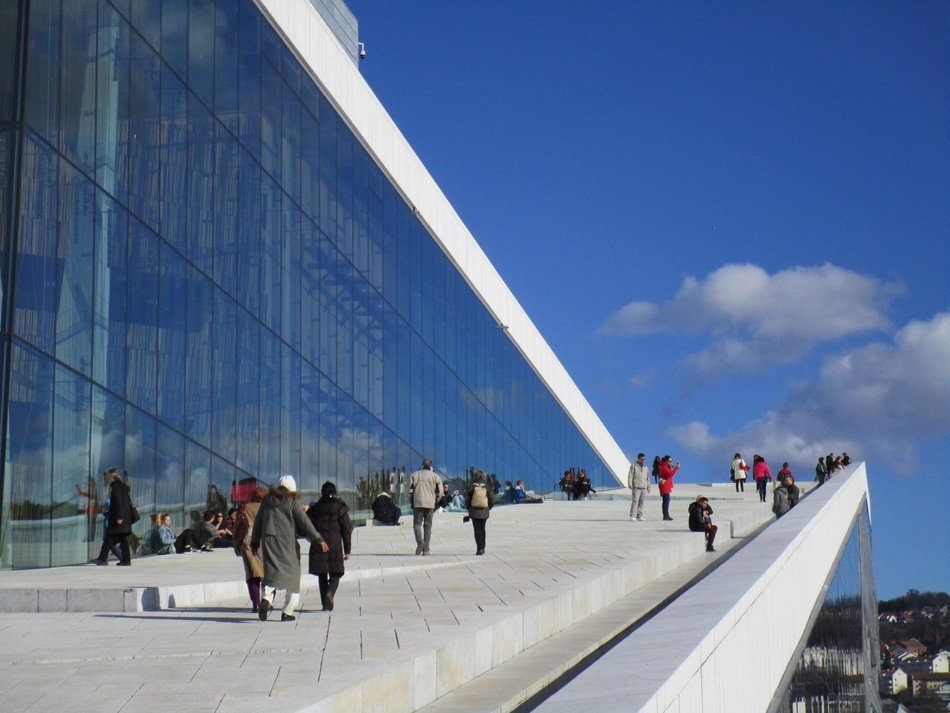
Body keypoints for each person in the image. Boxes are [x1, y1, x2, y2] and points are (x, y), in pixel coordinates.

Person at [251, 475, 328, 622]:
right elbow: (305, 522)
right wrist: (318, 539)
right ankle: (287, 612)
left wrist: (255, 541)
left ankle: (266, 599)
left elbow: (258, 521)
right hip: (287, 544)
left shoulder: (267, 500)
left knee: (270, 573)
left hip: (269, 542)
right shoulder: (292, 502)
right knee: (293, 577)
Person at [307, 482, 353, 612]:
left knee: (322, 574)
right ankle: (330, 593)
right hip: (335, 545)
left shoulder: (316, 508)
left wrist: (312, 538)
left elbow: (305, 523)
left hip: (319, 543)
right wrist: (348, 549)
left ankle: (324, 603)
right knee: (336, 573)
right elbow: (346, 529)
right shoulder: (340, 508)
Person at [91, 467, 133, 566]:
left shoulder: (116, 487)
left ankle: (102, 559)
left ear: (112, 477)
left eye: (108, 477)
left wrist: (119, 517)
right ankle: (126, 560)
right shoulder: (122, 487)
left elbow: (118, 503)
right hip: (123, 518)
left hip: (119, 519)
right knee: (122, 538)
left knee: (109, 536)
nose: (107, 479)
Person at [233, 486, 266, 612]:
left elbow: (236, 529)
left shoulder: (243, 508)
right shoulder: (268, 508)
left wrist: (236, 546)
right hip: (265, 544)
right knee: (267, 574)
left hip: (248, 544)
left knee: (252, 575)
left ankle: (256, 603)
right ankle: (267, 600)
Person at [408, 459, 443, 556]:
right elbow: (440, 492)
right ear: (431, 466)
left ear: (422, 465)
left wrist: (411, 500)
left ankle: (420, 542)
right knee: (428, 526)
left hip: (418, 503)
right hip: (430, 504)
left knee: (417, 524)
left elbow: (409, 490)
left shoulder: (414, 475)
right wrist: (436, 501)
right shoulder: (435, 476)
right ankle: (426, 549)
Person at [465, 470, 494, 555]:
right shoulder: (486, 486)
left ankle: (479, 548)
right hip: (484, 511)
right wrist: (489, 507)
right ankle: (483, 547)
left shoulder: (471, 486)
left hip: (474, 511)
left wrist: (469, 508)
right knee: (482, 529)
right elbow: (492, 498)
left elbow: (467, 499)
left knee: (477, 530)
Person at [627, 453, 651, 521]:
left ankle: (639, 515)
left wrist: (648, 487)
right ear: (638, 459)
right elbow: (630, 475)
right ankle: (632, 515)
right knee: (635, 501)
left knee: (641, 502)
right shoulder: (634, 466)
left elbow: (648, 478)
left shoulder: (646, 467)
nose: (643, 460)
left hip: (644, 487)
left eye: (644, 459)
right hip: (636, 487)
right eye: (642, 459)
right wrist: (630, 483)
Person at [657, 455, 679, 521]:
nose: (671, 462)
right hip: (664, 485)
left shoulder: (665, 466)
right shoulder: (664, 467)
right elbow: (670, 474)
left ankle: (666, 515)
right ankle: (665, 515)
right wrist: (676, 468)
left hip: (666, 485)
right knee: (666, 500)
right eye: (670, 461)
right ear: (666, 461)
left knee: (666, 500)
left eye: (671, 461)